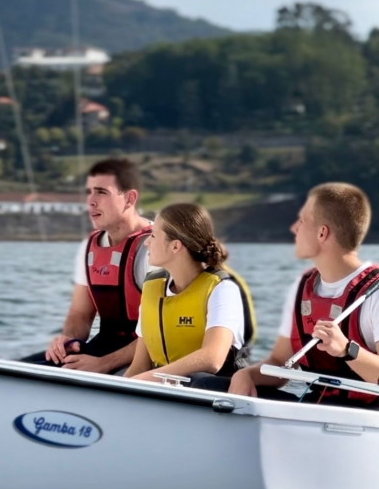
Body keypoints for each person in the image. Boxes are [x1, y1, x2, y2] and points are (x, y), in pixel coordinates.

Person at [229, 182, 379, 407]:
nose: (294, 228)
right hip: (315, 409)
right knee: (205, 385)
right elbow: (281, 363)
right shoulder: (302, 286)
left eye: (302, 221)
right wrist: (246, 375)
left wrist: (347, 350)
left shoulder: (374, 292)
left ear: (322, 232)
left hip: (363, 418)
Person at [22, 157, 152, 373]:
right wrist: (67, 341)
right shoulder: (88, 247)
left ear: (129, 198)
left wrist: (104, 365)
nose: (90, 201)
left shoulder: (156, 247)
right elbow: (80, 314)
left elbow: (164, 331)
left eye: (101, 192)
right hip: (103, 348)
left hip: (147, 358)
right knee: (24, 370)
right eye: (89, 192)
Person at [126, 202, 255, 387]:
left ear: (175, 246)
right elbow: (138, 367)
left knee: (199, 381)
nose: (147, 242)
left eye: (153, 235)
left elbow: (212, 359)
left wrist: (149, 379)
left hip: (212, 395)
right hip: (164, 392)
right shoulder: (152, 288)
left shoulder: (223, 290)